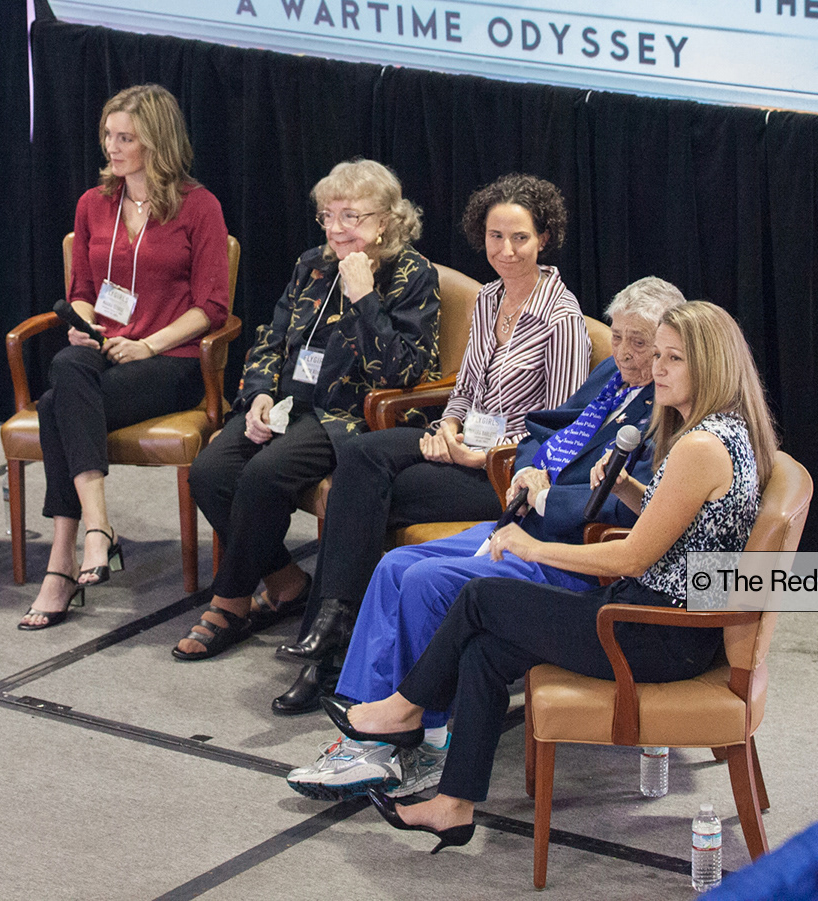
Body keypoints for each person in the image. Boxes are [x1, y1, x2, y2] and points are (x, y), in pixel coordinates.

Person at [326, 300, 777, 852]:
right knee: (485, 651)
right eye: (656, 354)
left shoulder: (700, 446)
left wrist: (532, 544)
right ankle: (453, 806)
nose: (657, 368)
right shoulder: (725, 432)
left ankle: (404, 709)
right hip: (666, 624)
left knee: (479, 598)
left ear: (710, 366)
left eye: (673, 358)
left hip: (651, 631)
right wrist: (630, 490)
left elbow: (630, 560)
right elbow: (688, 531)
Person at [284, 276, 684, 797]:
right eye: (619, 336)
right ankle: (370, 740)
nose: (627, 353)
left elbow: (637, 505)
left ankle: (426, 744)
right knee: (393, 566)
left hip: (567, 549)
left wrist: (545, 501)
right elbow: (545, 428)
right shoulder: (612, 374)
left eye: (641, 343)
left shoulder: (668, 409)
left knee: (428, 581)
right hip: (521, 517)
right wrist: (528, 470)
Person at [278, 173, 590, 709]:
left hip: (506, 473)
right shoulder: (490, 298)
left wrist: (482, 452)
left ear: (543, 239)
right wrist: (447, 425)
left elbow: (557, 433)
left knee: (364, 500)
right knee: (359, 457)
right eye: (496, 236)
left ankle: (330, 649)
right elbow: (465, 388)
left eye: (520, 238)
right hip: (458, 443)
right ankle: (334, 631)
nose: (507, 250)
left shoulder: (561, 319)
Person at [177, 160, 440, 660]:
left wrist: (364, 296)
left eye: (351, 217)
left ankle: (229, 602)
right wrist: (257, 394)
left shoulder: (412, 274)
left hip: (349, 414)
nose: (336, 229)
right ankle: (285, 581)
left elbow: (401, 373)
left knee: (264, 474)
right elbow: (269, 341)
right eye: (328, 216)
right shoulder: (312, 264)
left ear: (385, 220)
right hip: (288, 403)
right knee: (209, 471)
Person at [21, 85, 230, 630]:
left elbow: (212, 305)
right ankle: (95, 526)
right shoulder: (94, 203)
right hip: (108, 353)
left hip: (173, 360)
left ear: (156, 142)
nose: (112, 148)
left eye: (125, 138)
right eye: (108, 136)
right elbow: (83, 287)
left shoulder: (199, 206)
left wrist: (147, 344)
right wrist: (87, 327)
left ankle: (66, 558)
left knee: (52, 407)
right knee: (68, 365)